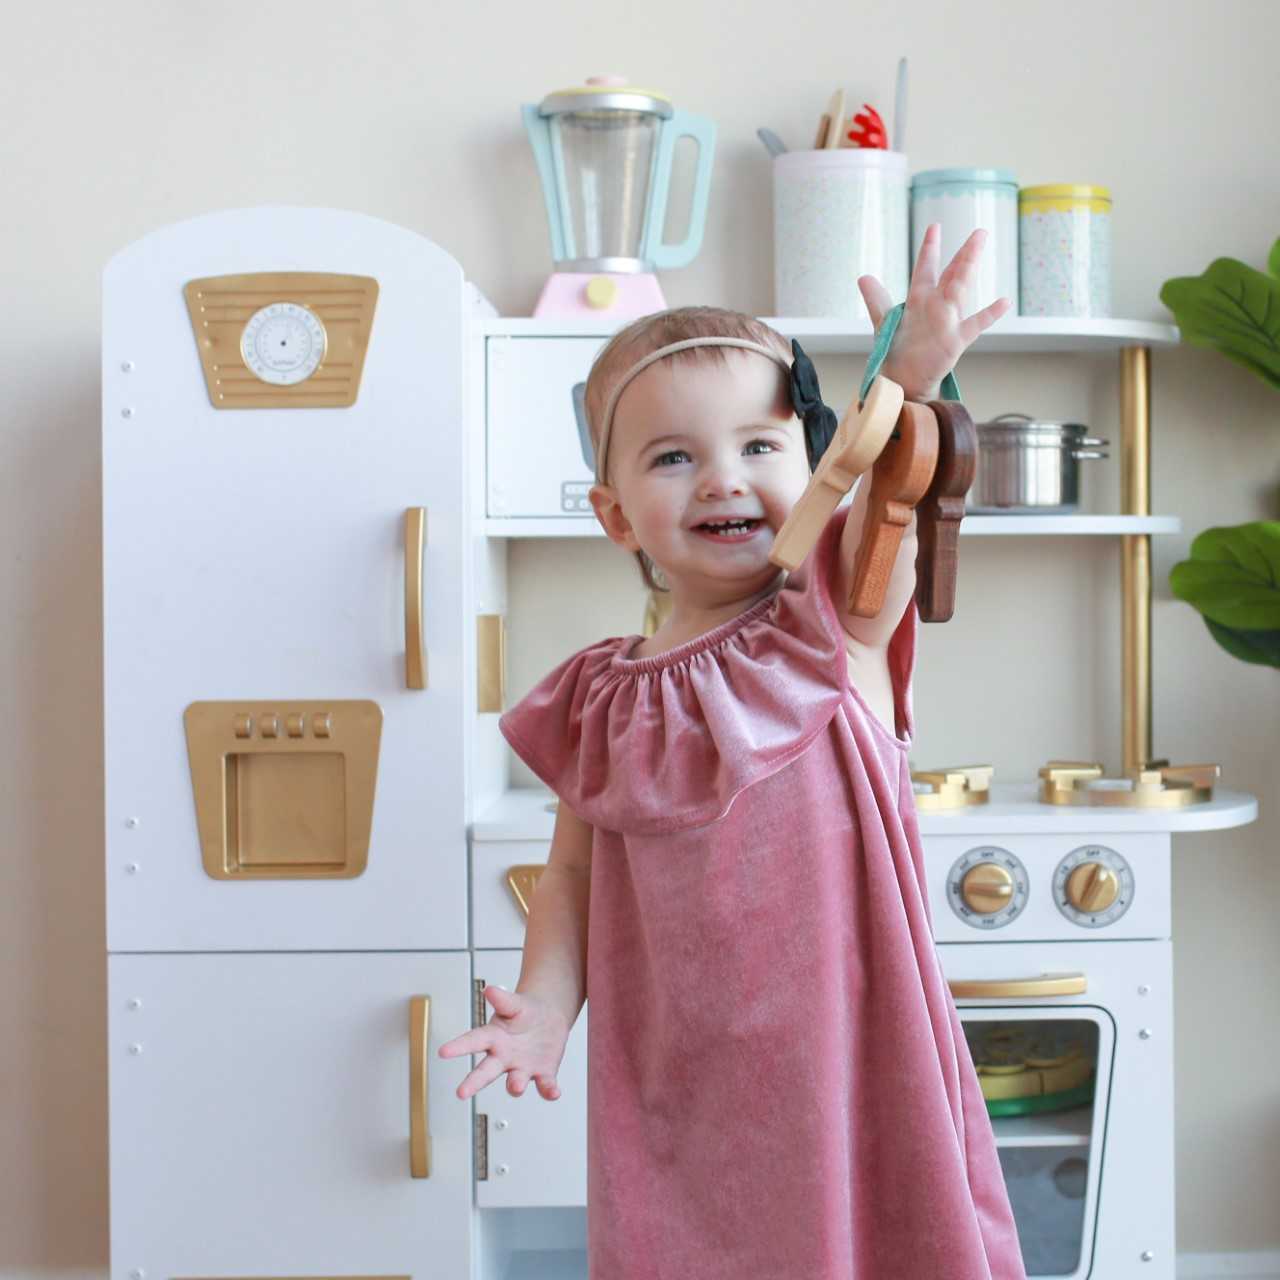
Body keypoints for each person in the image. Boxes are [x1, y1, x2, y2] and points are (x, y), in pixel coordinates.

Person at [439, 224, 1026, 1279]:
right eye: (674, 456)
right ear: (614, 513)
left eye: (759, 446)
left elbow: (880, 481)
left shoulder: (827, 620)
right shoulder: (597, 698)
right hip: (676, 1073)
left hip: (844, 1056)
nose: (722, 478)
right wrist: (540, 1010)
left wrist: (903, 375)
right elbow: (571, 874)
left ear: (808, 467)